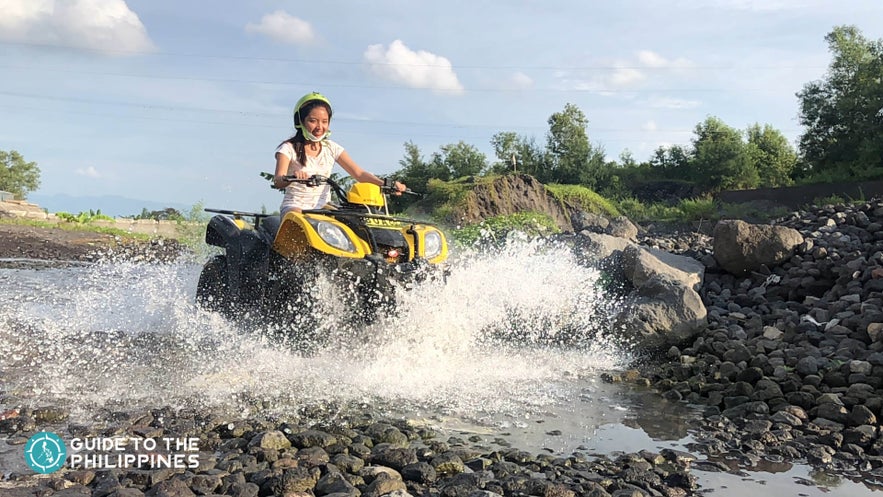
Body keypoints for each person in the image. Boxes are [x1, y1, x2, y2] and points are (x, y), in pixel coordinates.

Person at [273, 92, 406, 215]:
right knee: (298, 219)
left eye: (324, 121)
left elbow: (358, 173)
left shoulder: (332, 148)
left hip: (324, 208)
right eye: (313, 121)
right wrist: (292, 176)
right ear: (300, 121)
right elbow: (278, 180)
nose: (320, 127)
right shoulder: (288, 148)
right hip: (295, 207)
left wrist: (386, 184)